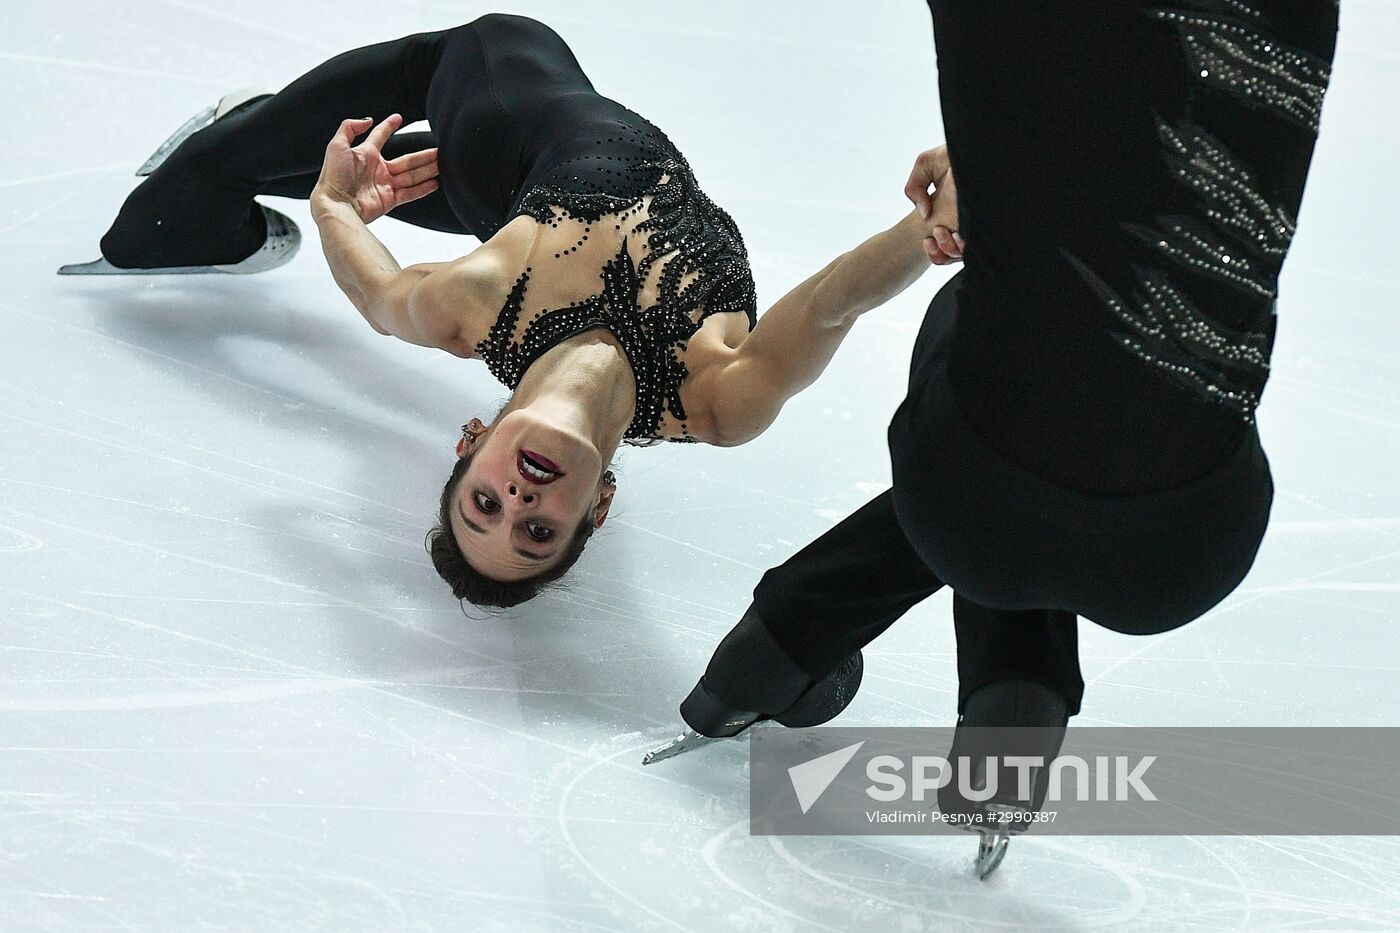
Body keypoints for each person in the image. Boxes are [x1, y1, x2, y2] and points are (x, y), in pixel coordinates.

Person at [661, 0, 1339, 878]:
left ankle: (788, 651)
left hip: (971, 508)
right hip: (1188, 544)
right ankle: (971, 683)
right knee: (1091, 373)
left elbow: (1060, 117)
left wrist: (967, 177)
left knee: (996, 341)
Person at [60, 14, 961, 607]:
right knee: (267, 165)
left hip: (490, 120)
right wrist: (942, 216)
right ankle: (248, 143)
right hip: (505, 182)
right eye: (536, 528)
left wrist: (336, 204)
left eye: (482, 502)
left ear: (468, 445)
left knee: (162, 223)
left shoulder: (475, 308)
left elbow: (378, 295)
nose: (519, 498)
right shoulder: (718, 399)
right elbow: (840, 300)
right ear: (596, 508)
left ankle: (233, 164)